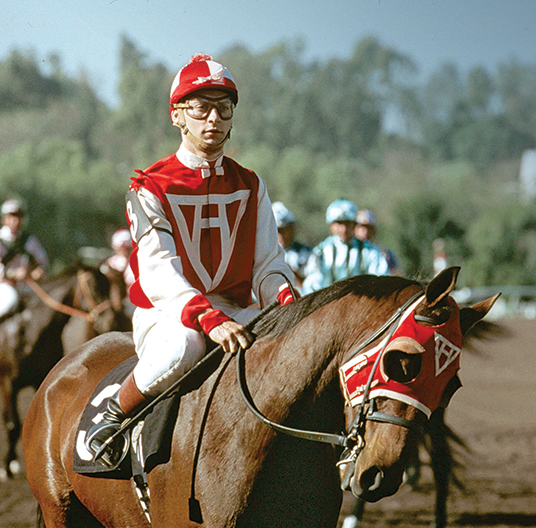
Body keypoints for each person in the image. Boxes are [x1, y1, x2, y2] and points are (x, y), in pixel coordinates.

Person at [86, 53, 295, 467]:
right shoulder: (149, 186)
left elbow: (269, 264)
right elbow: (159, 270)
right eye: (200, 108)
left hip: (236, 311)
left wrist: (289, 303)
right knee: (187, 344)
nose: (212, 119)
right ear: (177, 116)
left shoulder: (251, 184)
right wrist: (207, 317)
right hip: (168, 314)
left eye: (224, 108)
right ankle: (113, 415)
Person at [0, 199, 49, 347]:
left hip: (26, 286)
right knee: (9, 301)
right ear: (4, 219)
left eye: (18, 216)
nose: (15, 220)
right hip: (3, 286)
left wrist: (40, 271)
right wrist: (12, 274)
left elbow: (43, 261)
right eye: (11, 216)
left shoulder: (29, 240)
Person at [302, 199, 389, 294]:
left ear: (355, 224)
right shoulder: (321, 252)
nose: (343, 229)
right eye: (339, 223)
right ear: (331, 225)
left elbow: (381, 280)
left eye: (347, 223)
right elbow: (312, 286)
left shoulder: (369, 250)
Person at [272, 201, 312, 284]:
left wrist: (291, 271)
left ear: (292, 228)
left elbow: (312, 285)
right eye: (276, 230)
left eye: (284, 230)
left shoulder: (308, 254)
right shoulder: (263, 255)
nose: (280, 235)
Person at [354, 208, 400, 275]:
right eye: (362, 227)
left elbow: (395, 273)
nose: (365, 231)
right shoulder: (349, 251)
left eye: (369, 227)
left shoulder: (385, 254)